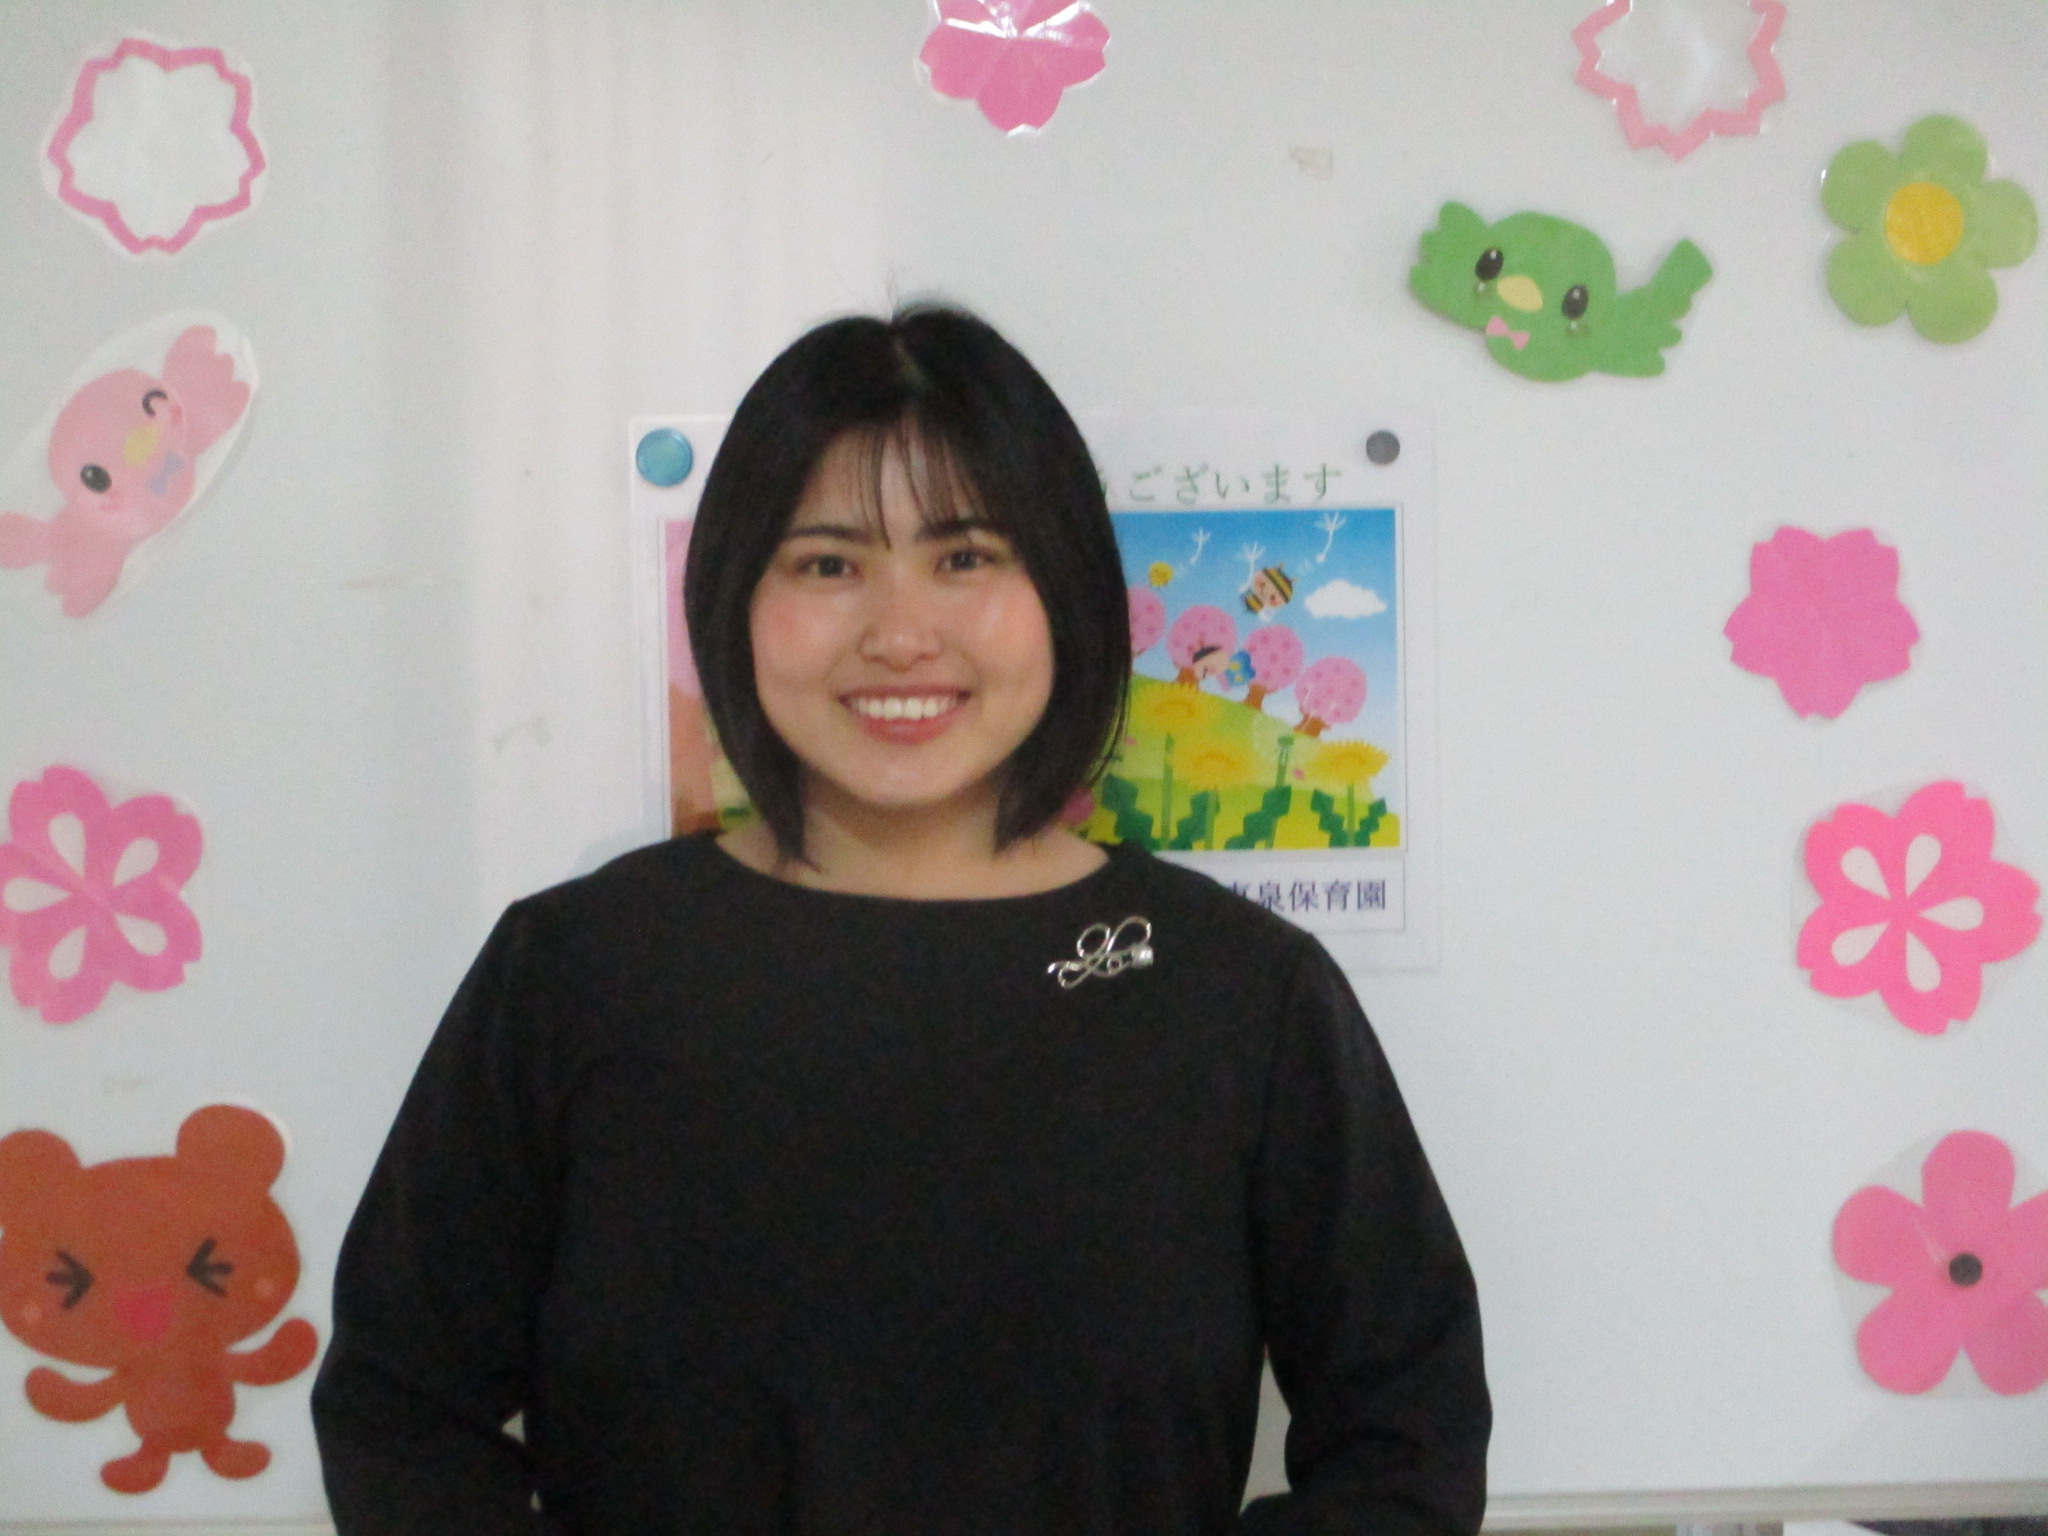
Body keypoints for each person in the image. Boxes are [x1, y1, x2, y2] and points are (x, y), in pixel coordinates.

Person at [312, 305, 1489, 1534]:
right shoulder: (576, 972)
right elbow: (403, 1412)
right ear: (733, 597)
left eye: (965, 557)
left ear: (1066, 592)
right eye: (827, 564)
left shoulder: (1236, 992)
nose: (899, 634)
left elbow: (1405, 1445)